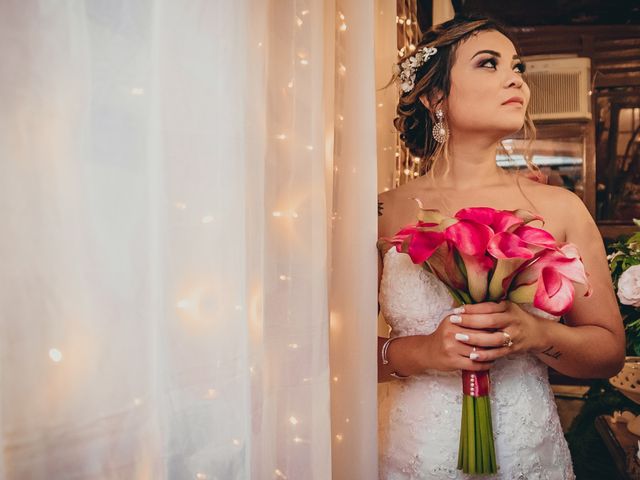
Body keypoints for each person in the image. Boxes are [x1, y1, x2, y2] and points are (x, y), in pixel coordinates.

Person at [376, 15, 625, 479]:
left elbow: (608, 353)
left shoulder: (562, 208)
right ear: (435, 97)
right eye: (488, 63)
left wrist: (537, 334)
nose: (516, 80)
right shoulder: (383, 212)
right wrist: (425, 353)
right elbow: (336, 354)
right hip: (417, 451)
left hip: (527, 452)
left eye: (517, 66)